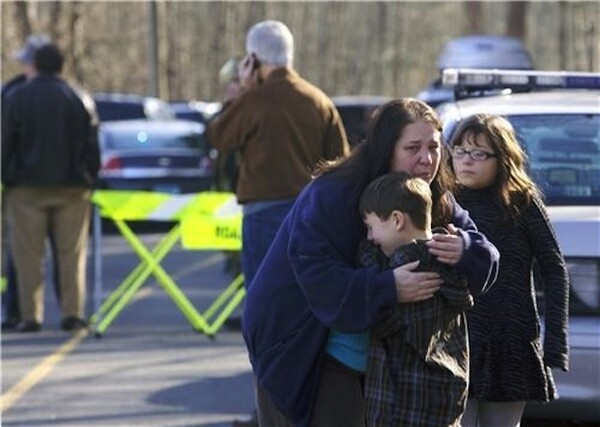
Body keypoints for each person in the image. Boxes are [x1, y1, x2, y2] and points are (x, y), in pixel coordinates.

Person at [242, 98, 499, 427]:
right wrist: (388, 288)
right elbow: (317, 275)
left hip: (373, 356)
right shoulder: (334, 193)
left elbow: (487, 256)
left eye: (434, 146)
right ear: (386, 149)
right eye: (413, 148)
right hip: (297, 340)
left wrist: (464, 248)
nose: (427, 159)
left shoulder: (430, 195)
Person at [205, 20, 349, 427]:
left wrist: (244, 92)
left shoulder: (255, 101)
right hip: (313, 219)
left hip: (264, 219)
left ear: (253, 59)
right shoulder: (318, 100)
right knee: (311, 315)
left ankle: (268, 410)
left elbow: (217, 137)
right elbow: (340, 163)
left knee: (266, 318)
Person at [448, 114, 570, 427]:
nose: (466, 161)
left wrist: (555, 340)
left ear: (503, 159)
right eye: (459, 151)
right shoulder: (445, 202)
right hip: (459, 341)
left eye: (478, 153)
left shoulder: (522, 202)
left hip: (511, 341)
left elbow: (554, 269)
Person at [357, 171, 474, 426]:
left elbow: (379, 322)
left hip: (404, 407)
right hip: (444, 399)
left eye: (371, 227)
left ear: (397, 220)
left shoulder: (408, 266)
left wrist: (372, 277)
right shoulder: (449, 260)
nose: (369, 238)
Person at [2, 43, 100, 333]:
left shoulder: (17, 96)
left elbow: (6, 140)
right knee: (72, 254)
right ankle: (72, 313)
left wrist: (7, 176)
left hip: (26, 188)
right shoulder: (78, 97)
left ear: (35, 65)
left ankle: (30, 315)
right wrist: (90, 176)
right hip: (72, 188)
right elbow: (91, 141)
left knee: (27, 256)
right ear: (60, 66)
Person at [1, 34, 63, 330]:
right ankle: (15, 310)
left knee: (57, 254)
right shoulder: (11, 92)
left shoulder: (64, 96)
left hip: (38, 185)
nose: (24, 67)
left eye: (28, 62)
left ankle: (65, 313)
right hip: (20, 185)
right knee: (18, 255)